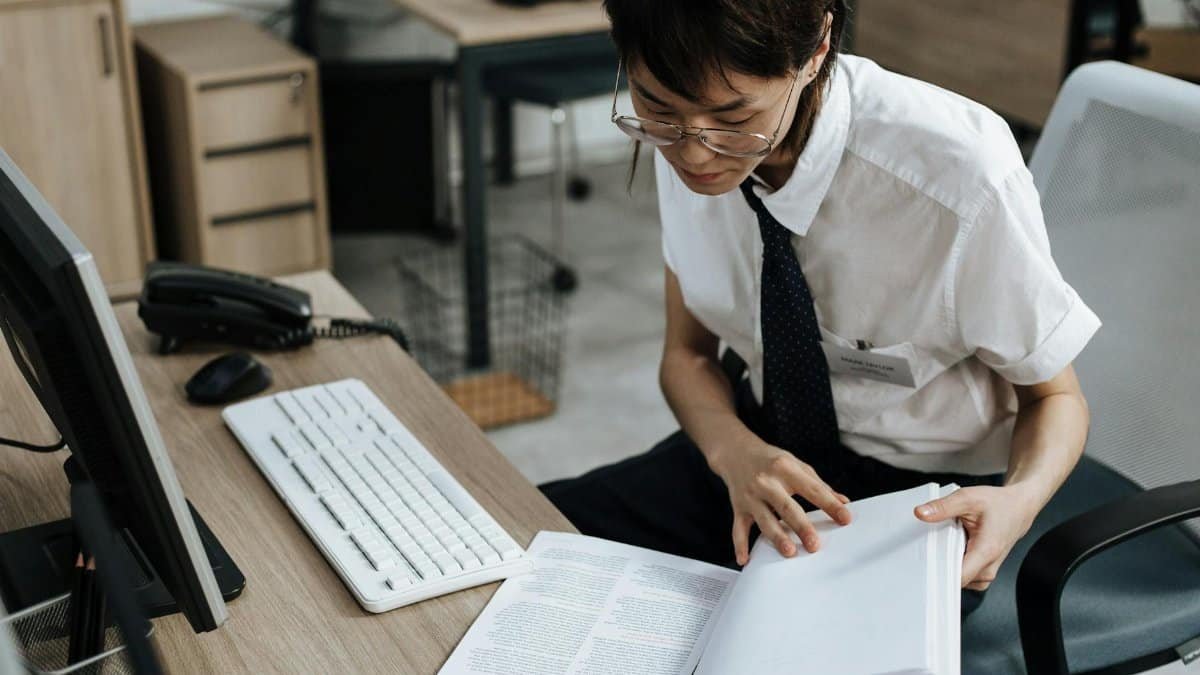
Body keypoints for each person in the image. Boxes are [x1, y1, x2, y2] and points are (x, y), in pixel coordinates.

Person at [540, 0, 1099, 617]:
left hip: (911, 503)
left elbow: (1056, 399)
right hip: (751, 455)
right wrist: (733, 451)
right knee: (521, 540)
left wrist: (1019, 503)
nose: (694, 155)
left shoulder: (957, 180)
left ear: (815, 50)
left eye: (734, 118)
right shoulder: (687, 137)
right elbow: (687, 354)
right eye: (658, 109)